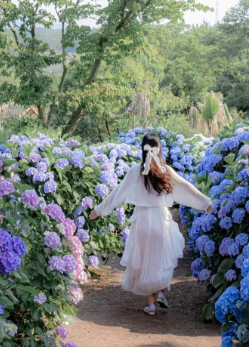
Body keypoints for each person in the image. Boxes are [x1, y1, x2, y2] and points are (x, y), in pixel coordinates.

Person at [89, 132, 213, 316]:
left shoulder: (135, 171)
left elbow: (117, 194)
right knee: (160, 259)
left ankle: (151, 304)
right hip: (161, 219)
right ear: (160, 149)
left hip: (142, 221)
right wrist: (206, 203)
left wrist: (98, 210)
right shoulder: (166, 170)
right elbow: (186, 187)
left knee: (145, 261)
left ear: (143, 150)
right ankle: (161, 292)